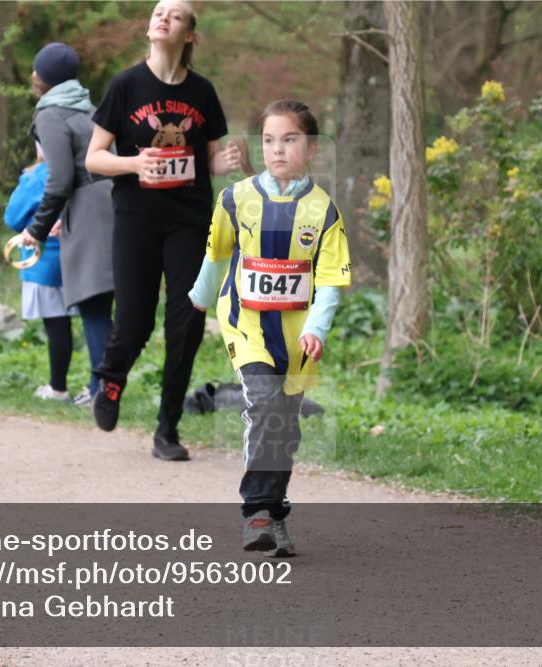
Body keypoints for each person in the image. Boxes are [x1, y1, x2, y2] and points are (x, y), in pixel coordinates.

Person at [188, 100, 352, 556]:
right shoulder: (235, 199)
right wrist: (199, 301)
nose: (277, 150)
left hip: (298, 340)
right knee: (263, 406)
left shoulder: (324, 211)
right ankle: (256, 513)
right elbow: (217, 254)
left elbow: (332, 281)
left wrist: (316, 329)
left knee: (285, 426)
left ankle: (276, 512)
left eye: (290, 139)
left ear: (312, 149)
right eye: (269, 140)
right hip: (247, 327)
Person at [84, 0, 242, 461]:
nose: (162, 17)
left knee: (186, 324)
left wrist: (225, 162)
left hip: (190, 219)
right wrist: (135, 163)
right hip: (136, 218)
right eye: (158, 11)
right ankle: (111, 380)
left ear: (189, 35)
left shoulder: (203, 92)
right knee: (134, 322)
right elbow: (95, 157)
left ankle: (167, 429)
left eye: (174, 15)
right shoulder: (126, 85)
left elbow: (206, 158)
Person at [20, 42, 115, 401]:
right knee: (102, 301)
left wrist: (36, 229)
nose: (32, 75)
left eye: (36, 70)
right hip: (110, 202)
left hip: (89, 206)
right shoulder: (87, 108)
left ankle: (102, 390)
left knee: (92, 301)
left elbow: (58, 178)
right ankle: (103, 385)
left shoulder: (50, 114)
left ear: (45, 78)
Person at [4, 146, 88, 402]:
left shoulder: (37, 176)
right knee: (81, 323)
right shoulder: (82, 172)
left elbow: (12, 216)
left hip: (45, 263)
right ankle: (96, 385)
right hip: (79, 259)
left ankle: (58, 388)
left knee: (56, 326)